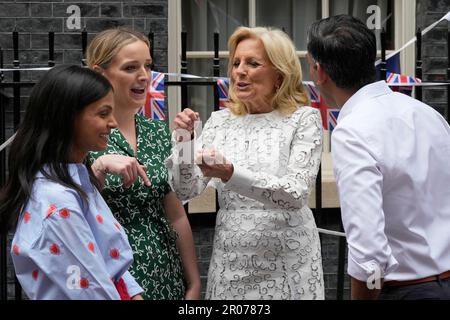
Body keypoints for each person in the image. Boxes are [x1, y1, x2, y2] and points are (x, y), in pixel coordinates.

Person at [167, 26, 325, 300]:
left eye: (253, 63)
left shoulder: (304, 119)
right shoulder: (219, 121)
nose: (240, 70)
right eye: (236, 62)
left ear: (279, 74)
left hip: (289, 264)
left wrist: (231, 174)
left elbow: (295, 193)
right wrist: (184, 142)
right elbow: (184, 191)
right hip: (232, 264)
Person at [306, 14, 450, 300]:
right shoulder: (427, 113)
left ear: (320, 72)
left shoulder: (351, 132)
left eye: (309, 66)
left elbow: (368, 255)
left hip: (410, 291)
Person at [0, 65, 143, 300]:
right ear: (68, 118)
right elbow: (91, 289)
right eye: (103, 113)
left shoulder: (73, 179)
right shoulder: (57, 202)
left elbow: (110, 265)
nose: (113, 123)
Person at [86, 27, 201, 300]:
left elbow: (175, 213)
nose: (143, 76)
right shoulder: (83, 132)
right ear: (99, 73)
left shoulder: (156, 131)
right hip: (111, 276)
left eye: (148, 66)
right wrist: (97, 168)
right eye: (130, 67)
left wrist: (194, 283)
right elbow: (69, 207)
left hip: (166, 273)